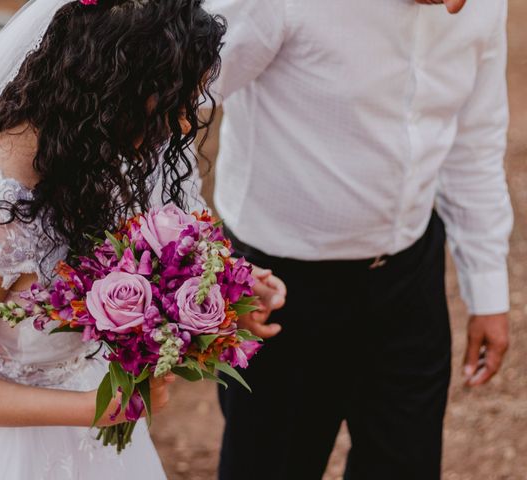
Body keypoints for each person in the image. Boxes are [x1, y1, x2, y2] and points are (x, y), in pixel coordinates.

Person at [0, 0, 228, 478]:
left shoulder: (86, 158)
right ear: (120, 90)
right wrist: (93, 407)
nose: (185, 122)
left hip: (90, 437)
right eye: (174, 103)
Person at [207, 0, 512, 478]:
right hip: (276, 290)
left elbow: (474, 141)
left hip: (409, 278)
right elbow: (168, 114)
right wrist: (210, 271)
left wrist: (489, 290)